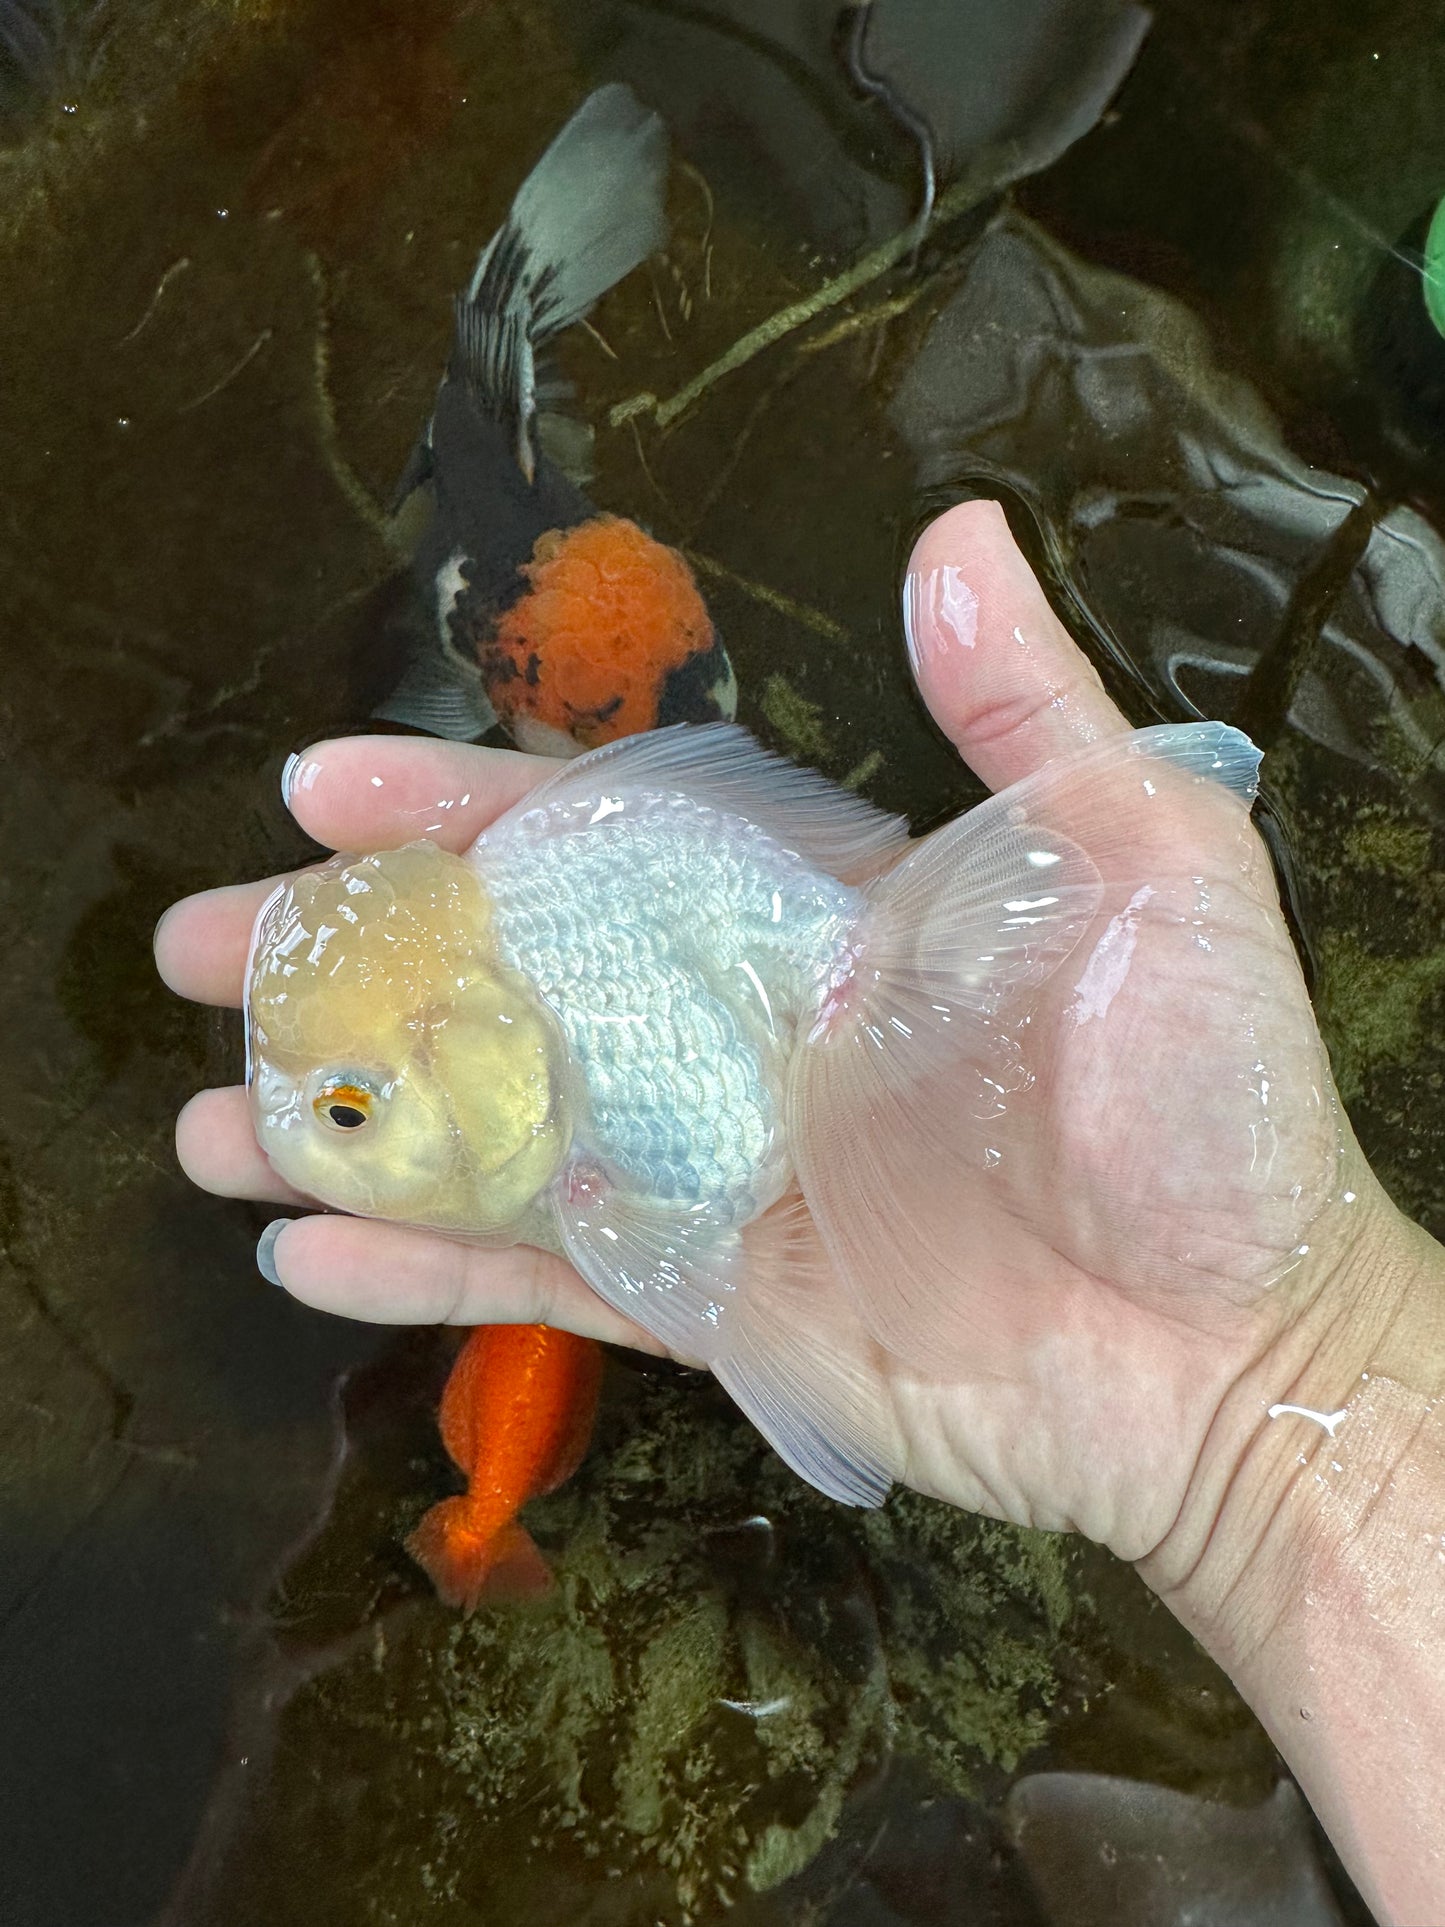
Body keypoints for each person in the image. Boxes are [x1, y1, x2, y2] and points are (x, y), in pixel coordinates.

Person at [155, 501, 1445, 1925]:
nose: (316, 1134)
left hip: (762, 979)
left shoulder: (579, 1051)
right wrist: (1284, 1387)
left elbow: (705, 1266)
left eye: (343, 1114)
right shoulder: (526, 935)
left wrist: (1278, 1378)